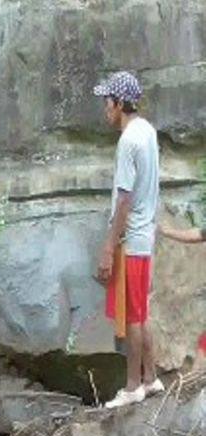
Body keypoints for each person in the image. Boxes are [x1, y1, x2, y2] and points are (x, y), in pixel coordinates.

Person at [92, 71, 163, 409]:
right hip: (144, 235)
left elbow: (123, 199)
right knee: (141, 311)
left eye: (107, 102)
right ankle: (151, 378)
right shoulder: (147, 132)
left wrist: (108, 247)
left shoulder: (128, 141)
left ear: (119, 104)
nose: (105, 108)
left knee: (133, 316)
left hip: (132, 239)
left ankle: (133, 385)